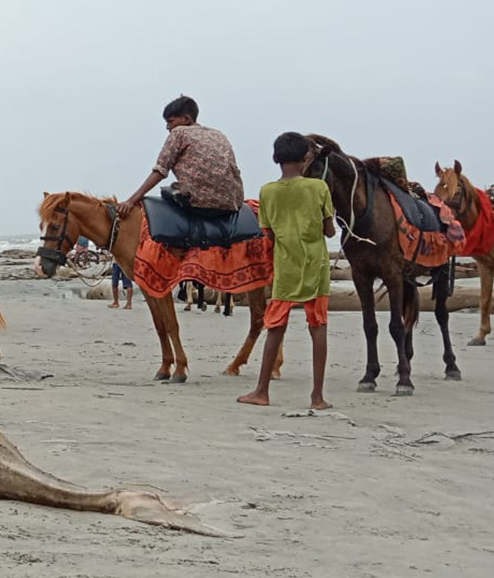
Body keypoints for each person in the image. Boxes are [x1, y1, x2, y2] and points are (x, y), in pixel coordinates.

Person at [238, 132, 336, 410]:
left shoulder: (267, 192)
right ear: (307, 157)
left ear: (276, 158)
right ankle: (317, 396)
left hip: (285, 267)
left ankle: (261, 391)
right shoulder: (318, 189)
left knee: (275, 328)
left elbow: (267, 233)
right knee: (318, 327)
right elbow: (329, 230)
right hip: (315, 266)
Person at [114, 96, 243, 219]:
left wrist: (131, 201)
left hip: (201, 204)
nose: (168, 127)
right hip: (232, 203)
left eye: (170, 121)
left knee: (167, 191)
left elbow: (160, 170)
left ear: (186, 119)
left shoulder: (179, 132)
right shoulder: (218, 135)